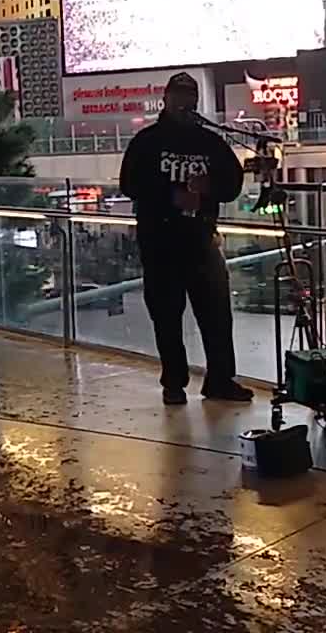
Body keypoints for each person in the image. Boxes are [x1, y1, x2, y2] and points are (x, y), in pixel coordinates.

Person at [119, 73, 253, 405]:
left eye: (190, 97)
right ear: (166, 99)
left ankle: (220, 380)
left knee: (217, 314)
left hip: (202, 239)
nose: (185, 103)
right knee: (166, 316)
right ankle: (174, 383)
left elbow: (233, 184)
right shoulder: (146, 141)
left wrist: (211, 189)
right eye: (179, 96)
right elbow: (129, 183)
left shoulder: (210, 142)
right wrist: (170, 196)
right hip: (160, 242)